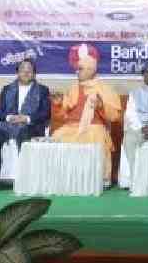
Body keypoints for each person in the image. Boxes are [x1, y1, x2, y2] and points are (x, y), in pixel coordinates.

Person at [50, 44, 122, 186]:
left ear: (90, 69)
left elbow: (114, 116)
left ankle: (97, 179)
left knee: (95, 137)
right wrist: (58, 104)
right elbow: (64, 115)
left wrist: (101, 105)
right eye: (77, 69)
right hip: (71, 127)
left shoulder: (104, 88)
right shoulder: (73, 88)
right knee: (55, 138)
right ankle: (64, 179)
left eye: (81, 69)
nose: (77, 72)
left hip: (94, 127)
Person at [0, 59, 50, 187]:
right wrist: (10, 117)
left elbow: (45, 113)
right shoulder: (7, 89)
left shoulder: (43, 90)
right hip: (8, 124)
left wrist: (26, 118)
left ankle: (25, 181)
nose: (26, 73)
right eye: (23, 70)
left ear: (34, 74)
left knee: (24, 132)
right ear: (17, 72)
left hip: (30, 126)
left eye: (29, 70)